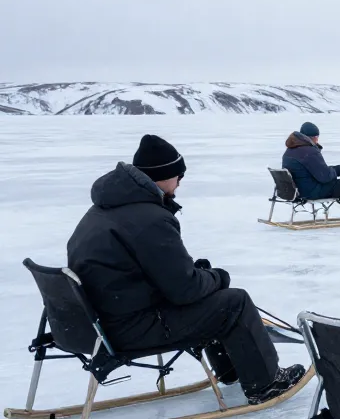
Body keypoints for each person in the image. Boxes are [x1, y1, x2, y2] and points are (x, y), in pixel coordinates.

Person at [67, 134, 306, 404]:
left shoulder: (106, 209)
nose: (180, 182)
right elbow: (186, 291)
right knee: (234, 301)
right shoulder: (149, 218)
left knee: (211, 295)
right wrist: (216, 277)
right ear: (161, 176)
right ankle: (266, 382)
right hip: (131, 328)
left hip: (106, 322)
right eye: (178, 175)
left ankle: (231, 369)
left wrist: (197, 275)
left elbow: (145, 270)